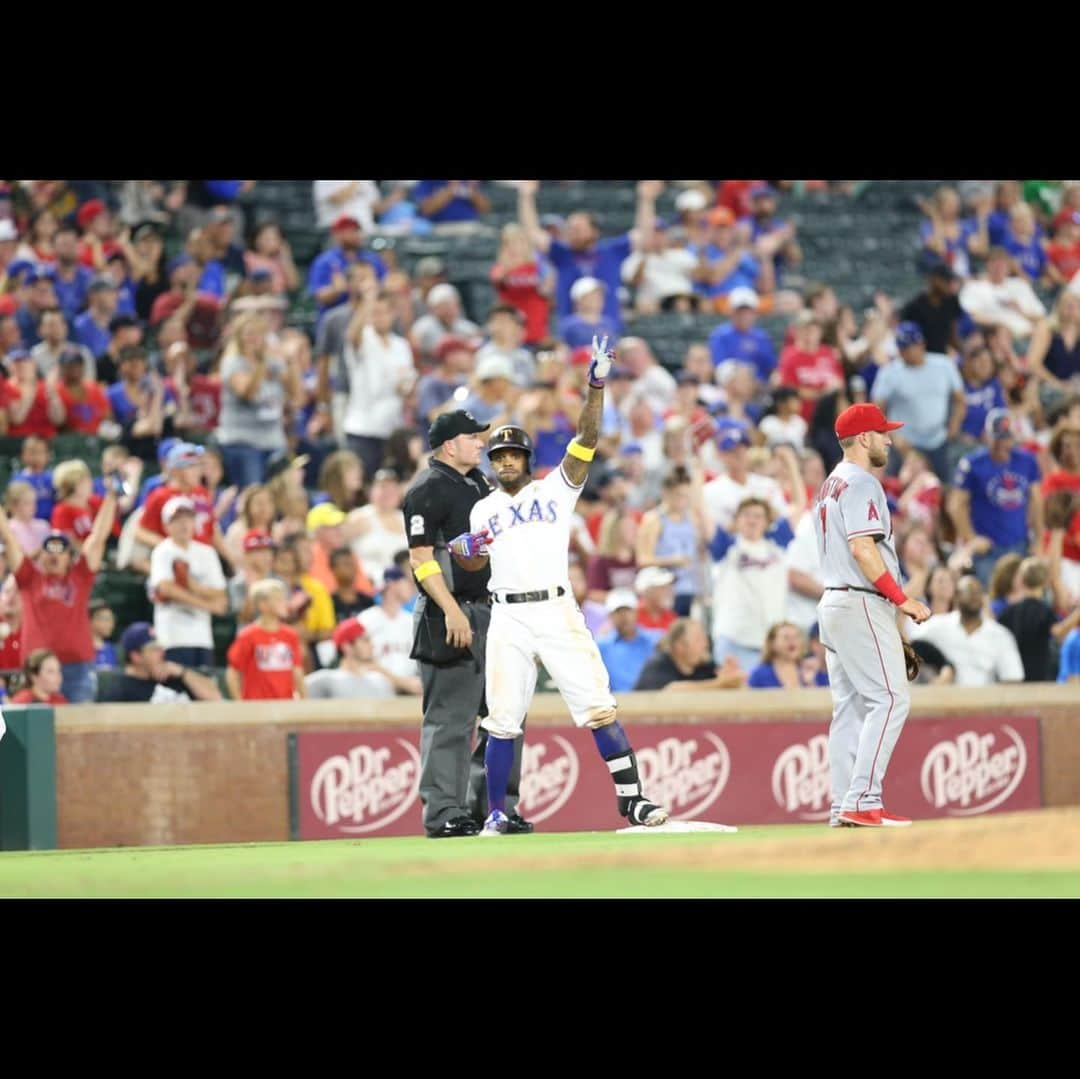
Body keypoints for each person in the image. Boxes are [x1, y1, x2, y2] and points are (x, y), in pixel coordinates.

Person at [460, 335, 673, 835]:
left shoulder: (556, 488)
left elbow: (588, 437)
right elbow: (475, 565)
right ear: (492, 462)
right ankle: (496, 813)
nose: (507, 460)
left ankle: (633, 801)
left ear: (529, 459)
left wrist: (595, 384)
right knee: (502, 720)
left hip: (556, 610)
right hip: (507, 613)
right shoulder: (482, 508)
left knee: (598, 708)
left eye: (515, 453)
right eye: (500, 455)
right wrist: (463, 554)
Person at [401, 409, 530, 839]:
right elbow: (420, 559)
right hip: (449, 613)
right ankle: (444, 812)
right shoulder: (426, 489)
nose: (481, 443)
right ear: (449, 445)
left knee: (504, 713)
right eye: (473, 437)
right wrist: (452, 610)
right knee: (451, 719)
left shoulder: (477, 482)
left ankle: (494, 808)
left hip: (493, 610)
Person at [812, 402, 932, 828]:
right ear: (863, 438)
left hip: (835, 601)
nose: (889, 440)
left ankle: (844, 802)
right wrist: (902, 599)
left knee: (849, 707)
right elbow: (863, 548)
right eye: (883, 433)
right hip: (860, 599)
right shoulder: (863, 482)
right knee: (890, 698)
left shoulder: (830, 484)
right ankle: (862, 799)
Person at [0, 478, 121, 703]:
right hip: (38, 668)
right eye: (49, 550)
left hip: (77, 667)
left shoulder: (80, 576)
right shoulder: (29, 577)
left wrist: (112, 497)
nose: (54, 555)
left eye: (60, 551)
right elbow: (9, 538)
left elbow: (97, 538)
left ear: (69, 557)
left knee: (79, 732)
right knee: (35, 731)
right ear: (41, 555)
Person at [947, 409, 1042, 586]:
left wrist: (1039, 539)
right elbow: (955, 504)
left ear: (1013, 437)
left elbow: (1036, 501)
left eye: (1006, 438)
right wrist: (971, 538)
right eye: (997, 438)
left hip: (1019, 543)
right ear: (987, 436)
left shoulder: (1027, 461)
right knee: (990, 595)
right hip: (988, 549)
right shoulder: (972, 463)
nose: (1001, 444)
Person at [148, 496, 228, 669]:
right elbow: (166, 588)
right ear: (166, 526)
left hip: (203, 637)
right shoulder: (163, 551)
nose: (184, 525)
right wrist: (208, 604)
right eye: (177, 520)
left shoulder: (207, 552)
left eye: (188, 519)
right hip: (172, 637)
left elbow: (221, 594)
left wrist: (193, 587)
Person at [909, 575, 1025, 687]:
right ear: (956, 596)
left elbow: (1013, 678)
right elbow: (911, 645)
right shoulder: (938, 626)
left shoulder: (1000, 635)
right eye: (968, 591)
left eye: (977, 592)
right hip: (946, 701)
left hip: (986, 701)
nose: (973, 596)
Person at [97, 622, 220, 703]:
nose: (162, 653)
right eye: (154, 650)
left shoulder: (174, 676)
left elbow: (216, 700)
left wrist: (183, 673)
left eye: (161, 648)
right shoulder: (120, 689)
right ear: (136, 656)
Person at [225, 578, 305, 701]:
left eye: (284, 599)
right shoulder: (248, 636)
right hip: (257, 708)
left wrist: (304, 699)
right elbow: (232, 672)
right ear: (263, 605)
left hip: (286, 705)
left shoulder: (290, 636)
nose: (284, 603)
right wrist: (239, 703)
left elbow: (297, 671)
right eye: (278, 599)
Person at [305, 617, 410, 699]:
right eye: (365, 640)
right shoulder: (325, 680)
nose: (371, 645)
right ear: (347, 647)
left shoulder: (381, 681)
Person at [632, 617, 745, 691]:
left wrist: (733, 680)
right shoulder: (658, 664)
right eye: (698, 639)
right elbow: (671, 691)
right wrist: (720, 684)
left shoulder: (705, 666)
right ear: (680, 646)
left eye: (705, 639)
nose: (705, 644)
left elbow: (725, 682)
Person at [596, 588, 661, 692]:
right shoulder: (601, 646)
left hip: (652, 702)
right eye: (618, 612)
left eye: (628, 610)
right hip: (617, 704)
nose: (624, 616)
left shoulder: (656, 640)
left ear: (636, 612)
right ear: (610, 616)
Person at [747, 622, 829, 688]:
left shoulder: (812, 669)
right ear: (772, 643)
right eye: (786, 637)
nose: (792, 641)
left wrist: (810, 683)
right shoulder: (759, 674)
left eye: (796, 637)